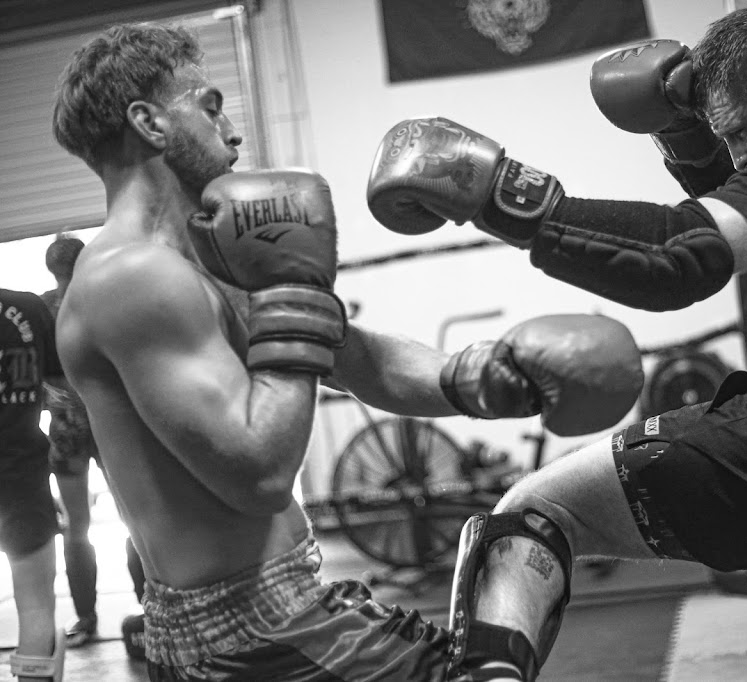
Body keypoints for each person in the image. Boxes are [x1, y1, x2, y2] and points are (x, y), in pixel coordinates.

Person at [367, 7, 747, 681]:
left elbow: (675, 257)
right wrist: (683, 133)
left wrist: (496, 193)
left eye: (742, 134)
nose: (740, 156)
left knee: (535, 510)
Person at [50, 22, 644, 680]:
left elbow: (363, 361)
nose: (233, 130)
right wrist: (293, 292)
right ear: (150, 123)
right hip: (247, 644)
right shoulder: (130, 277)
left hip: (293, 614)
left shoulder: (210, 255)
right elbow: (258, 475)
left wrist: (482, 377)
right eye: (210, 106)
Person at [40, 234, 149, 653]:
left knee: (90, 524)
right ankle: (141, 608)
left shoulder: (56, 305)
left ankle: (100, 614)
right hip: (97, 420)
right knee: (127, 517)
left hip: (81, 422)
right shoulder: (94, 297)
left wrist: (54, 394)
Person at [0, 286, 66, 681]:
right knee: (36, 607)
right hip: (21, 474)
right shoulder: (25, 307)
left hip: (24, 474)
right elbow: (61, 385)